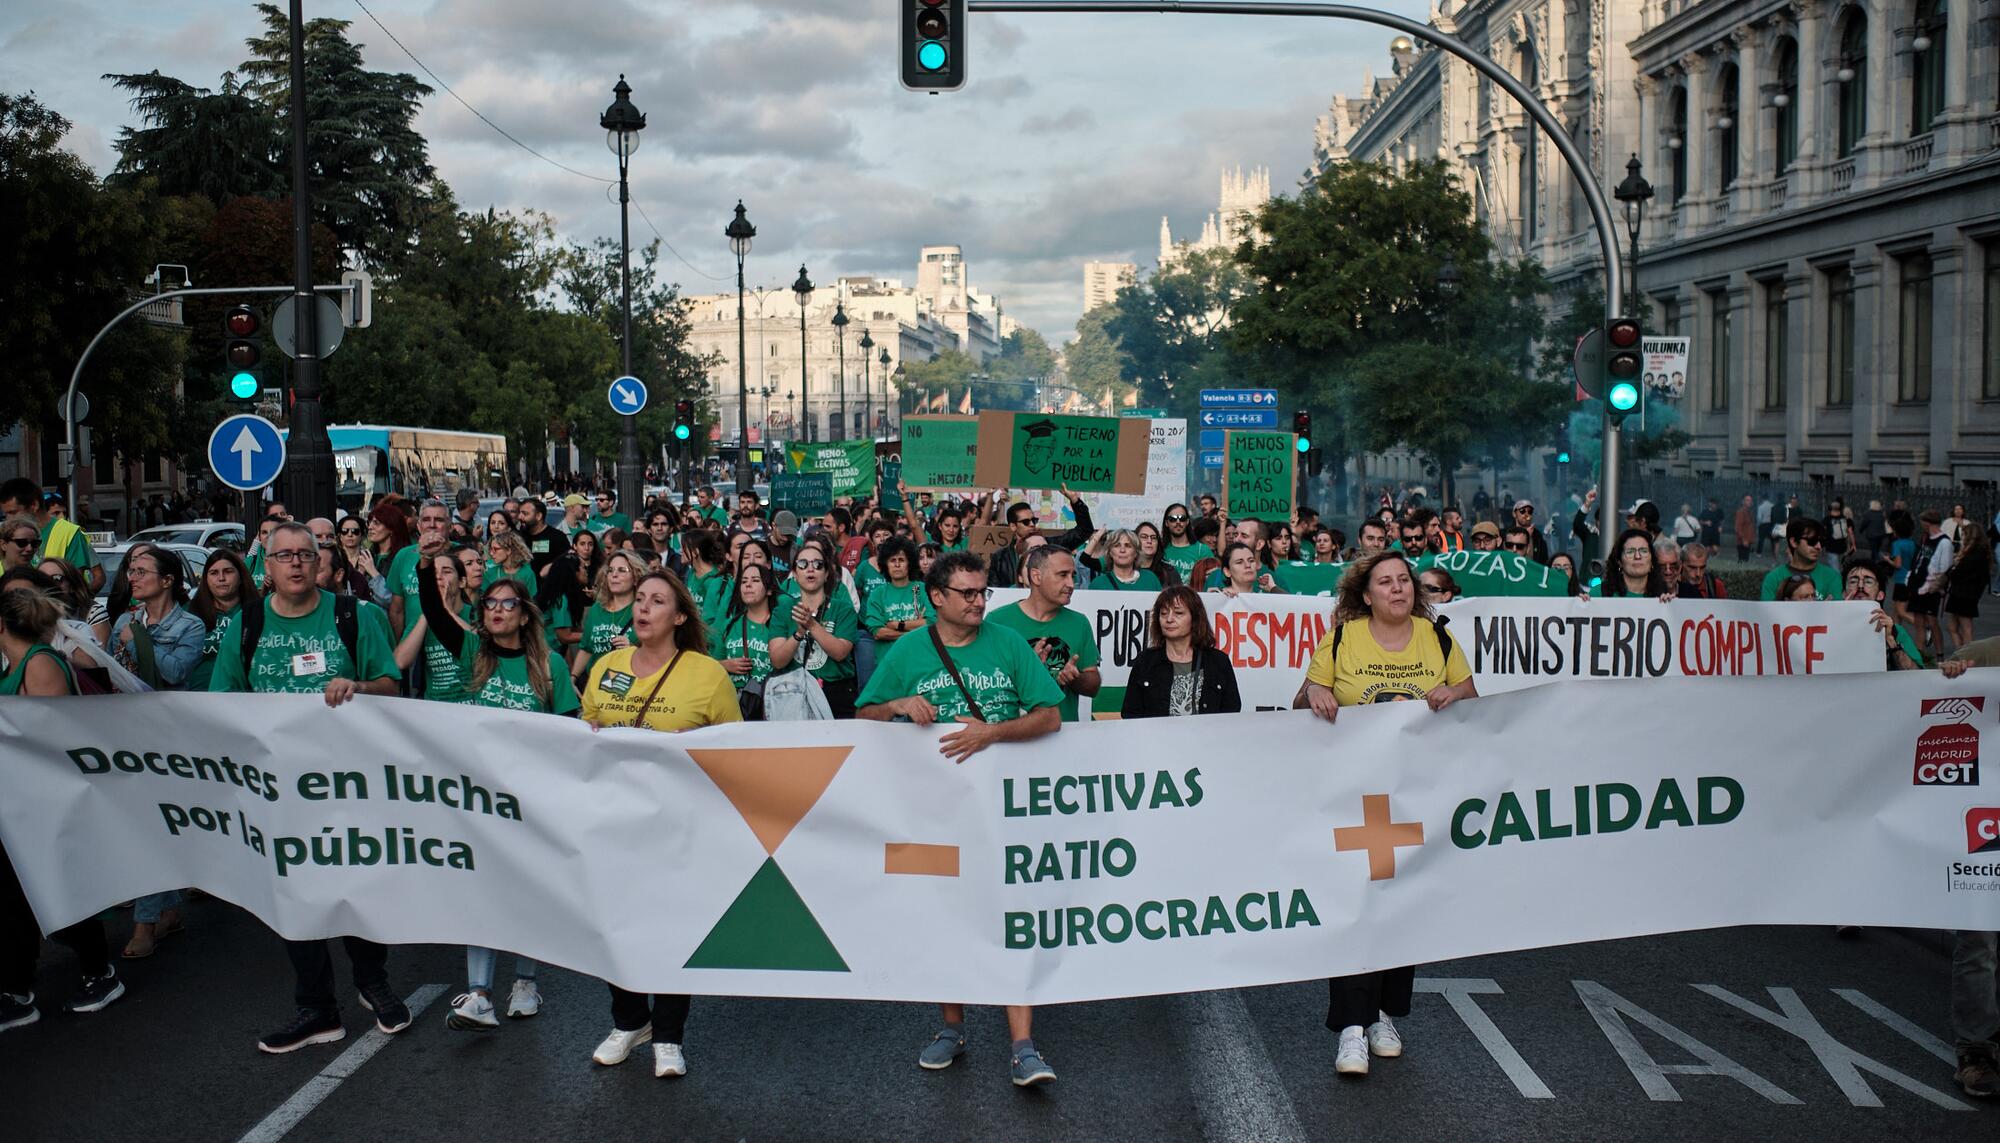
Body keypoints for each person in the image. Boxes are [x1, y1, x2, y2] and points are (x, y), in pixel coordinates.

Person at [856, 551, 1064, 1086]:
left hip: (1005, 812)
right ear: (937, 598)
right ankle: (951, 1028)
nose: (978, 603)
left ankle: (1024, 1045)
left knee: (1013, 918)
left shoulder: (1008, 643)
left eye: (982, 593)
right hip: (933, 811)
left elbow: (1050, 714)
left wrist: (989, 733)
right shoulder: (908, 650)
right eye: (967, 594)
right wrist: (900, 705)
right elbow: (863, 715)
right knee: (944, 916)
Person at [207, 522, 409, 1053]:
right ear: (267, 567)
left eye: (305, 554)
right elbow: (222, 703)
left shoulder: (354, 616)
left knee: (356, 884)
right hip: (276, 791)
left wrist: (358, 686)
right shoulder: (245, 625)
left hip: (347, 785)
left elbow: (390, 687)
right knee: (294, 897)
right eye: (284, 556)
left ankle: (373, 981)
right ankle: (317, 1009)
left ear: (320, 562)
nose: (296, 563)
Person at [1296, 551, 1474, 1077]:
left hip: (1415, 795)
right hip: (1354, 794)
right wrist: (1319, 691)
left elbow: (1470, 691)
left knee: (1398, 902)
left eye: (1404, 581)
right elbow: (1308, 693)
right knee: (1357, 900)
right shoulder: (1343, 638)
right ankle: (1352, 1027)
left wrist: (1454, 690)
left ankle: (1379, 1017)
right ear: (1366, 593)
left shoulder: (1436, 637)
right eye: (1385, 582)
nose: (1397, 589)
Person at [578, 569, 741, 1077]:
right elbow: (585, 733)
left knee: (673, 928)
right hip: (613, 821)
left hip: (678, 827)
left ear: (679, 616)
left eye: (657, 601)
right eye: (640, 599)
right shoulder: (606, 666)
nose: (643, 608)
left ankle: (668, 1035)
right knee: (614, 924)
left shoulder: (706, 673)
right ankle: (629, 1021)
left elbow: (733, 751)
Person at [417, 560, 577, 1032]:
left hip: (532, 800)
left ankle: (525, 983)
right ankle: (480, 993)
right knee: (482, 892)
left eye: (508, 603)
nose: (498, 611)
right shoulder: (472, 652)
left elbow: (569, 731)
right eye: (490, 603)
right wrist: (429, 565)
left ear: (524, 614)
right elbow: (435, 611)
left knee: (527, 893)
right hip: (481, 800)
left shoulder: (550, 666)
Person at [0, 567, 127, 1028]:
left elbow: (54, 740)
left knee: (60, 892)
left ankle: (100, 970)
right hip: (15, 805)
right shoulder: (15, 666)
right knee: (13, 901)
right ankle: (15, 988)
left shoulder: (40, 664)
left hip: (46, 804)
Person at [988, 546, 1102, 723]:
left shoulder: (1079, 623)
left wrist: (1074, 678)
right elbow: (985, 685)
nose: (1071, 584)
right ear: (1036, 576)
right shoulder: (998, 620)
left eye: (1073, 576)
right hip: (1012, 737)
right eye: (1062, 575)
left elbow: (1093, 686)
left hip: (1064, 738)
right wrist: (1025, 670)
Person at [1120, 586, 1241, 717]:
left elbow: (1231, 713)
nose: (1169, 619)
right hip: (1156, 737)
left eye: (1178, 613)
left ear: (1195, 618)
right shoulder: (1145, 661)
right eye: (1163, 613)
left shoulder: (1218, 661)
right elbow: (1130, 713)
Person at [776, 536, 859, 717]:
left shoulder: (843, 609)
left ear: (827, 573)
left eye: (818, 564)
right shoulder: (783, 609)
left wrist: (811, 625)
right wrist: (799, 633)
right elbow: (777, 660)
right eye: (803, 564)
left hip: (836, 692)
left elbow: (840, 653)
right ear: (795, 575)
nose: (810, 569)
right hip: (792, 691)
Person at [108, 545, 204, 692]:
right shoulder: (125, 621)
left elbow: (176, 674)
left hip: (167, 709)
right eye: (131, 571)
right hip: (124, 708)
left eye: (141, 572)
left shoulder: (191, 625)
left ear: (167, 580)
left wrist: (136, 641)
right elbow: (108, 669)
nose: (132, 578)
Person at [710, 564, 794, 708]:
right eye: (743, 581)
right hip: (733, 705)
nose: (748, 585)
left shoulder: (780, 625)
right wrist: (725, 665)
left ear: (768, 590)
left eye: (755, 580)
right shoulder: (729, 624)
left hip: (773, 704)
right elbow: (711, 666)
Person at [0, 478, 101, 592]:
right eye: (6, 514)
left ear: (34, 505)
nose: (8, 519)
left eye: (13, 512)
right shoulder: (4, 536)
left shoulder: (69, 533)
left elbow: (75, 587)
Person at [187, 549, 257, 693]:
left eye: (228, 571)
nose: (221, 578)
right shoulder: (190, 612)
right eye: (213, 573)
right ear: (206, 578)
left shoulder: (258, 611)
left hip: (245, 698)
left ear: (241, 575)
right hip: (196, 698)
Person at [1759, 518, 1840, 601]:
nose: (1818, 547)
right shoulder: (1773, 579)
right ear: (1794, 542)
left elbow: (1837, 612)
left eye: (1822, 542)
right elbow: (1767, 613)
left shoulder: (1832, 577)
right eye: (1812, 541)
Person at [1944, 523, 1990, 654]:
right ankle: (1962, 654)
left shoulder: (1973, 554)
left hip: (1964, 594)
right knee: (1953, 626)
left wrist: (1955, 565)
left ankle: (1968, 657)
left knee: (1965, 627)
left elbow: (1958, 574)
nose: (1962, 537)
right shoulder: (1980, 552)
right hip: (1965, 594)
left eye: (1964, 534)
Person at [1085, 528, 1162, 592]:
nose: (1122, 550)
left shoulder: (1150, 579)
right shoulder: (1098, 584)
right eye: (1117, 546)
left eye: (1128, 546)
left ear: (1136, 552)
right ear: (1110, 552)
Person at [1599, 528, 1669, 598]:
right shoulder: (1599, 593)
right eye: (1630, 552)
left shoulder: (1663, 594)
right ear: (1619, 561)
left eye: (1644, 551)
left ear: (1652, 560)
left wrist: (1669, 605)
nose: (1637, 556)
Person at [513, 498, 571, 582]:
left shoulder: (557, 537)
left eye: (525, 514)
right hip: (523, 588)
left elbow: (566, 564)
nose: (520, 517)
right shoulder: (517, 537)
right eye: (520, 513)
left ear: (538, 516)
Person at [1159, 503, 1206, 583]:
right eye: (1173, 519)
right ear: (1166, 523)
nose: (1178, 522)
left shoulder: (1202, 550)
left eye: (1182, 518)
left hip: (1193, 595)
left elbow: (1214, 578)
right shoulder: (1159, 550)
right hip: (1167, 594)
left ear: (1187, 522)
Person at [483, 530, 538, 596]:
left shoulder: (527, 573)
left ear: (508, 550)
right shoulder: (489, 573)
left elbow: (531, 602)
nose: (491, 553)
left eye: (496, 549)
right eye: (491, 549)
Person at [1212, 541, 1277, 597]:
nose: (1248, 565)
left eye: (1251, 560)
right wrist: (1211, 598)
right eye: (1239, 562)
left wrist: (1273, 588)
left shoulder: (1264, 600)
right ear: (1227, 572)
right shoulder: (1217, 596)